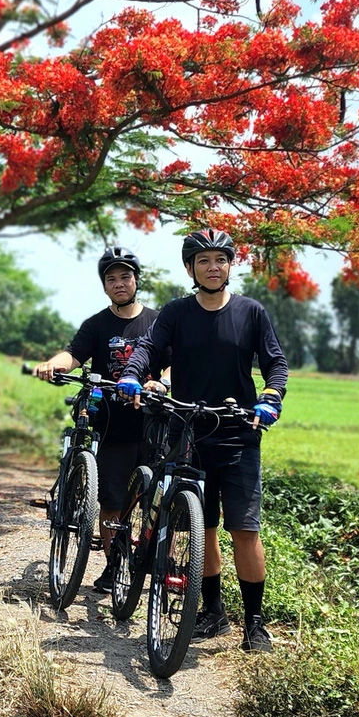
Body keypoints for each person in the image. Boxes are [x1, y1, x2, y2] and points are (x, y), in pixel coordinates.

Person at [115, 229, 287, 652]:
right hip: (188, 432)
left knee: (244, 530)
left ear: (231, 265)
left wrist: (271, 398)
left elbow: (275, 364)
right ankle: (212, 611)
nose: (213, 267)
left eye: (221, 260)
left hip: (237, 434)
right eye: (204, 261)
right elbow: (147, 349)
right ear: (190, 268)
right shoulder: (175, 313)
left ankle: (255, 623)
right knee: (202, 528)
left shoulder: (251, 312)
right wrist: (133, 375)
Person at [29, 245, 158, 595]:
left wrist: (163, 380)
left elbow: (174, 361)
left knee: (154, 500)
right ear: (104, 286)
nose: (119, 284)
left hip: (152, 423)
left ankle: (150, 562)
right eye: (111, 279)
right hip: (113, 426)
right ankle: (114, 565)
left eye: (125, 277)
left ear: (136, 281)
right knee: (112, 501)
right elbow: (73, 354)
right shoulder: (97, 324)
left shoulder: (158, 322)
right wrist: (54, 364)